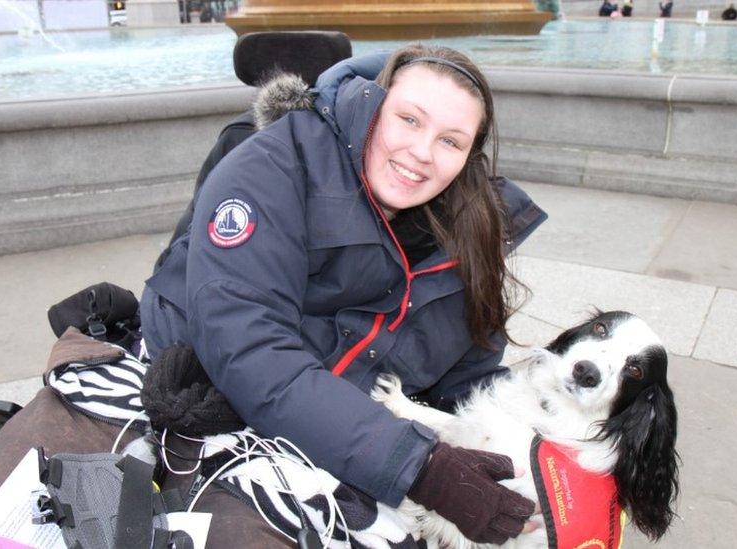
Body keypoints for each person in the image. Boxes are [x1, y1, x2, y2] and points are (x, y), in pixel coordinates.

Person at [138, 44, 547, 546]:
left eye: (450, 141)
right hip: (214, 383)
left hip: (339, 415)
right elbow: (249, 349)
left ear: (469, 158)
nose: (422, 152)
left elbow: (468, 385)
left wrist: (534, 457)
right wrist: (422, 469)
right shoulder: (271, 168)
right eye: (409, 120)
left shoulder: (471, 232)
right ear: (375, 104)